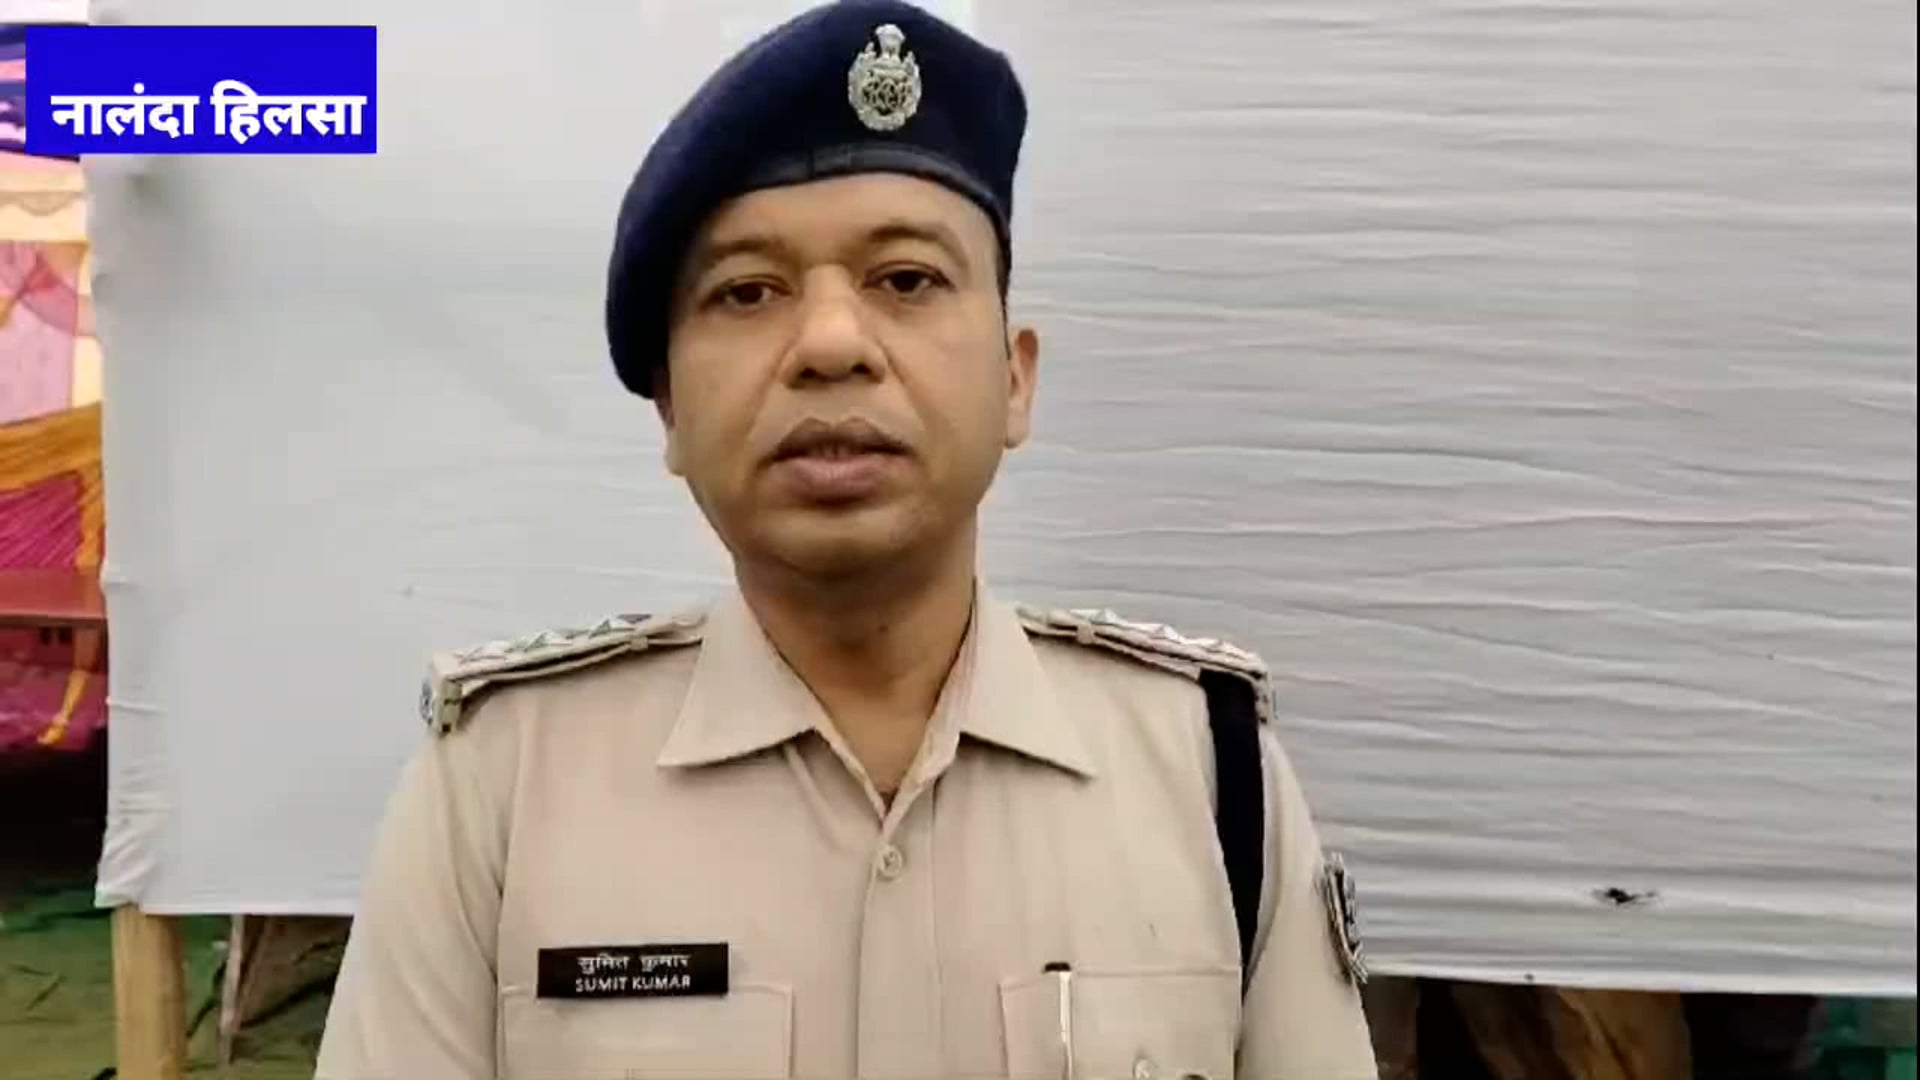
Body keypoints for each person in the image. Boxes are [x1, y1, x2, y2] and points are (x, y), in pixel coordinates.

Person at [315, 2, 1380, 1077]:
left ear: (1015, 379)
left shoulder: (1209, 775)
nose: (830, 343)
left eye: (906, 280)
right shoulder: (500, 791)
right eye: (748, 291)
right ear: (670, 410)